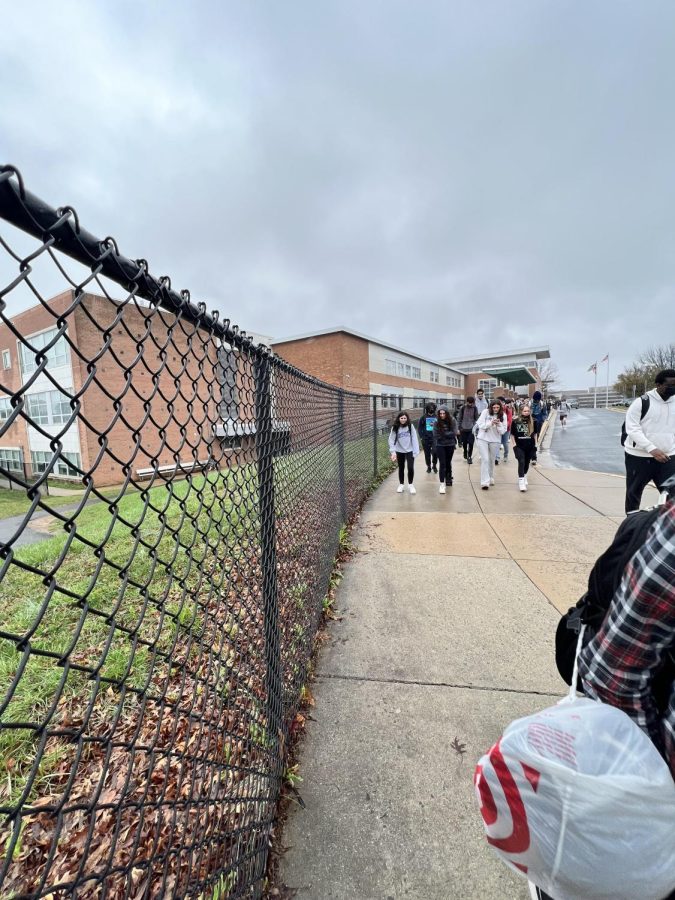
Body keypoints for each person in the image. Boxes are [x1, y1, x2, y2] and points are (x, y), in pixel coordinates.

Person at [623, 369, 675, 514]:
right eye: (670, 385)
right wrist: (651, 448)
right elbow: (632, 429)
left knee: (672, 494)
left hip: (668, 457)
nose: (673, 388)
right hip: (639, 457)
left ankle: (668, 528)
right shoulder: (641, 402)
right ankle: (631, 525)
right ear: (658, 384)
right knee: (634, 494)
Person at [476, 400, 506, 490]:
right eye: (494, 407)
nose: (495, 409)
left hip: (495, 440)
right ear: (491, 407)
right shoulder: (485, 412)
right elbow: (480, 424)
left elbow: (503, 431)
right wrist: (490, 423)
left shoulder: (503, 416)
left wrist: (498, 424)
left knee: (491, 460)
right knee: (485, 459)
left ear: (500, 407)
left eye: (497, 407)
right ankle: (484, 482)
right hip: (483, 438)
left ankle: (490, 476)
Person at [388, 411, 420, 494]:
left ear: (407, 418)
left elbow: (414, 438)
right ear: (399, 418)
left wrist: (416, 450)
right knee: (401, 468)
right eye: (401, 418)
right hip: (399, 450)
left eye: (405, 418)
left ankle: (410, 484)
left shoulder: (410, 426)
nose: (403, 419)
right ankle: (401, 484)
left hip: (410, 450)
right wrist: (393, 451)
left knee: (410, 467)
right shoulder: (395, 427)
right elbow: (391, 440)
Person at [511, 402, 536, 492]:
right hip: (519, 446)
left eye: (528, 411)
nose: (526, 412)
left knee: (527, 463)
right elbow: (512, 435)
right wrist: (514, 446)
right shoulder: (515, 421)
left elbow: (535, 434)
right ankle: (521, 482)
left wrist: (535, 445)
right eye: (525, 411)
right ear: (521, 411)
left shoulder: (534, 421)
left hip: (530, 446)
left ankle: (525, 475)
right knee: (521, 462)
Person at [433, 406, 458, 494]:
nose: (442, 415)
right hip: (440, 445)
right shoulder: (436, 422)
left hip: (450, 445)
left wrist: (443, 433)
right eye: (440, 414)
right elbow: (436, 435)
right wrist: (447, 434)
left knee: (448, 462)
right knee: (442, 464)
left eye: (444, 413)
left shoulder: (452, 420)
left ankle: (448, 478)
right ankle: (442, 483)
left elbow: (454, 432)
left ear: (447, 413)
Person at [456, 396, 478, 464]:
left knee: (471, 444)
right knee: (464, 443)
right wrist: (458, 428)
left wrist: (475, 427)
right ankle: (465, 451)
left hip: (471, 429)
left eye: (472, 403)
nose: (471, 404)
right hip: (463, 429)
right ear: (467, 402)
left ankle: (469, 457)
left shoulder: (475, 408)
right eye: (469, 403)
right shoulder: (463, 408)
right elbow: (459, 418)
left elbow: (476, 418)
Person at [417, 402, 438, 474]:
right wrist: (422, 437)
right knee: (427, 454)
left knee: (435, 452)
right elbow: (419, 428)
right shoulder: (423, 417)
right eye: (430, 407)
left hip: (435, 438)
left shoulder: (437, 417)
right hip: (426, 438)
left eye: (433, 407)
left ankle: (434, 465)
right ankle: (428, 466)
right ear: (427, 408)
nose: (431, 408)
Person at [530, 390, 547, 465]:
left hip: (539, 423)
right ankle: (533, 456)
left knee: (535, 439)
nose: (536, 401)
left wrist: (542, 420)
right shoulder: (530, 403)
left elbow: (544, 413)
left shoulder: (542, 404)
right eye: (535, 399)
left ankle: (533, 456)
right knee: (530, 439)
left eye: (538, 399)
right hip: (530, 423)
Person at [493, 396, 513, 465]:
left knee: (505, 443)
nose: (500, 403)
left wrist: (503, 428)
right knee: (497, 443)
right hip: (497, 429)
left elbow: (509, 421)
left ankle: (505, 455)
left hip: (506, 430)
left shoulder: (507, 410)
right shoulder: (495, 409)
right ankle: (497, 458)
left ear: (503, 403)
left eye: (501, 402)